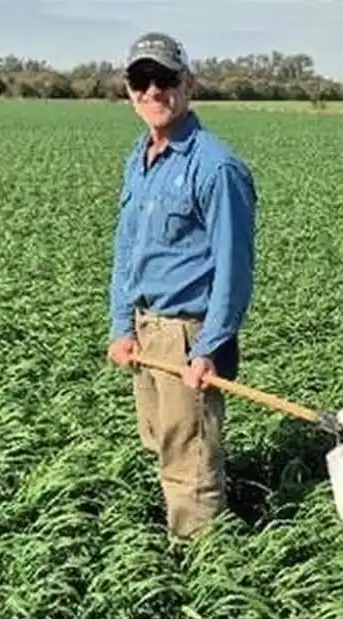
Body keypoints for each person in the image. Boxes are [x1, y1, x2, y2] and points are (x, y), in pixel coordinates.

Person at [106, 32, 258, 541]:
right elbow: (128, 249)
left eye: (164, 78)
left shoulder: (216, 167)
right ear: (128, 89)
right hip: (147, 330)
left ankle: (204, 564)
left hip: (187, 335)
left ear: (188, 83)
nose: (152, 90)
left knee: (190, 465)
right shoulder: (141, 158)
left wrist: (209, 348)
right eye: (140, 79)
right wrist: (122, 326)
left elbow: (234, 270)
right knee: (161, 441)